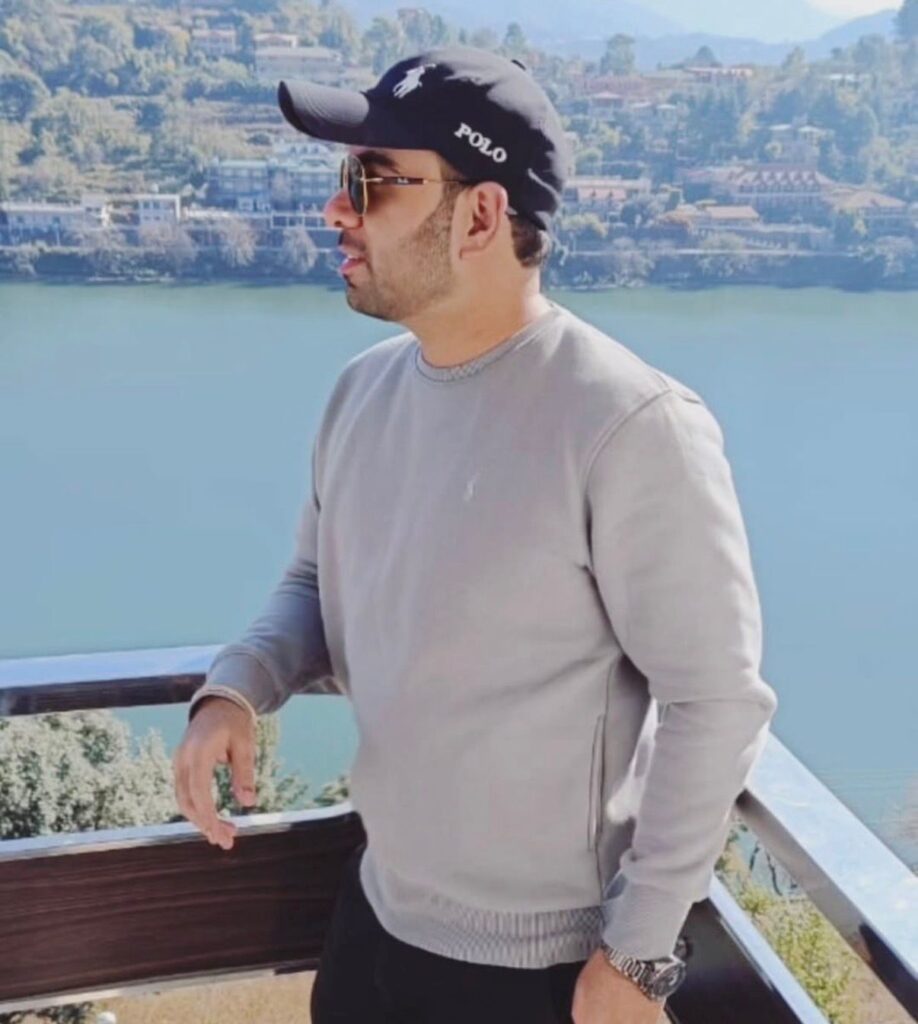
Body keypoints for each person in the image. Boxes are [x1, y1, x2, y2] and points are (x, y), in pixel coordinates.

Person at [172, 45, 779, 1024]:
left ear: (483, 216)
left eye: (372, 181)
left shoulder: (630, 425)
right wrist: (235, 689)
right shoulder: (360, 392)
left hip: (539, 979)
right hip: (370, 924)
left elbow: (717, 702)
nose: (336, 210)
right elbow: (316, 582)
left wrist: (636, 956)